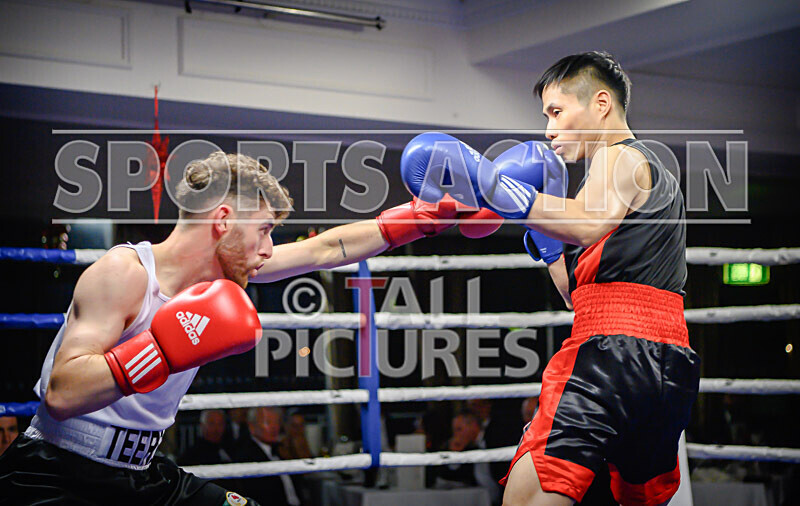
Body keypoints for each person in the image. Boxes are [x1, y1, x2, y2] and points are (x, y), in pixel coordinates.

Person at [0, 151, 502, 505]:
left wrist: (419, 220)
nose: (267, 249)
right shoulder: (124, 274)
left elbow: (325, 249)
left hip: (143, 475)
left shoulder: (223, 275)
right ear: (222, 220)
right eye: (263, 230)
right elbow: (62, 393)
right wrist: (163, 349)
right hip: (55, 473)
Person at [401, 51, 700, 506]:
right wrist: (550, 247)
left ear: (601, 104)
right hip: (668, 364)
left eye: (557, 112)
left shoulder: (618, 157)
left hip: (608, 357)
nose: (549, 129)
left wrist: (489, 182)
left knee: (526, 498)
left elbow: (585, 225)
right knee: (635, 500)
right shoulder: (647, 181)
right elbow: (582, 297)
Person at [231, 407, 301, 506]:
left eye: (277, 422)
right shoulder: (247, 457)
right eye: (267, 422)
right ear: (252, 427)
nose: (274, 427)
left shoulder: (281, 449)